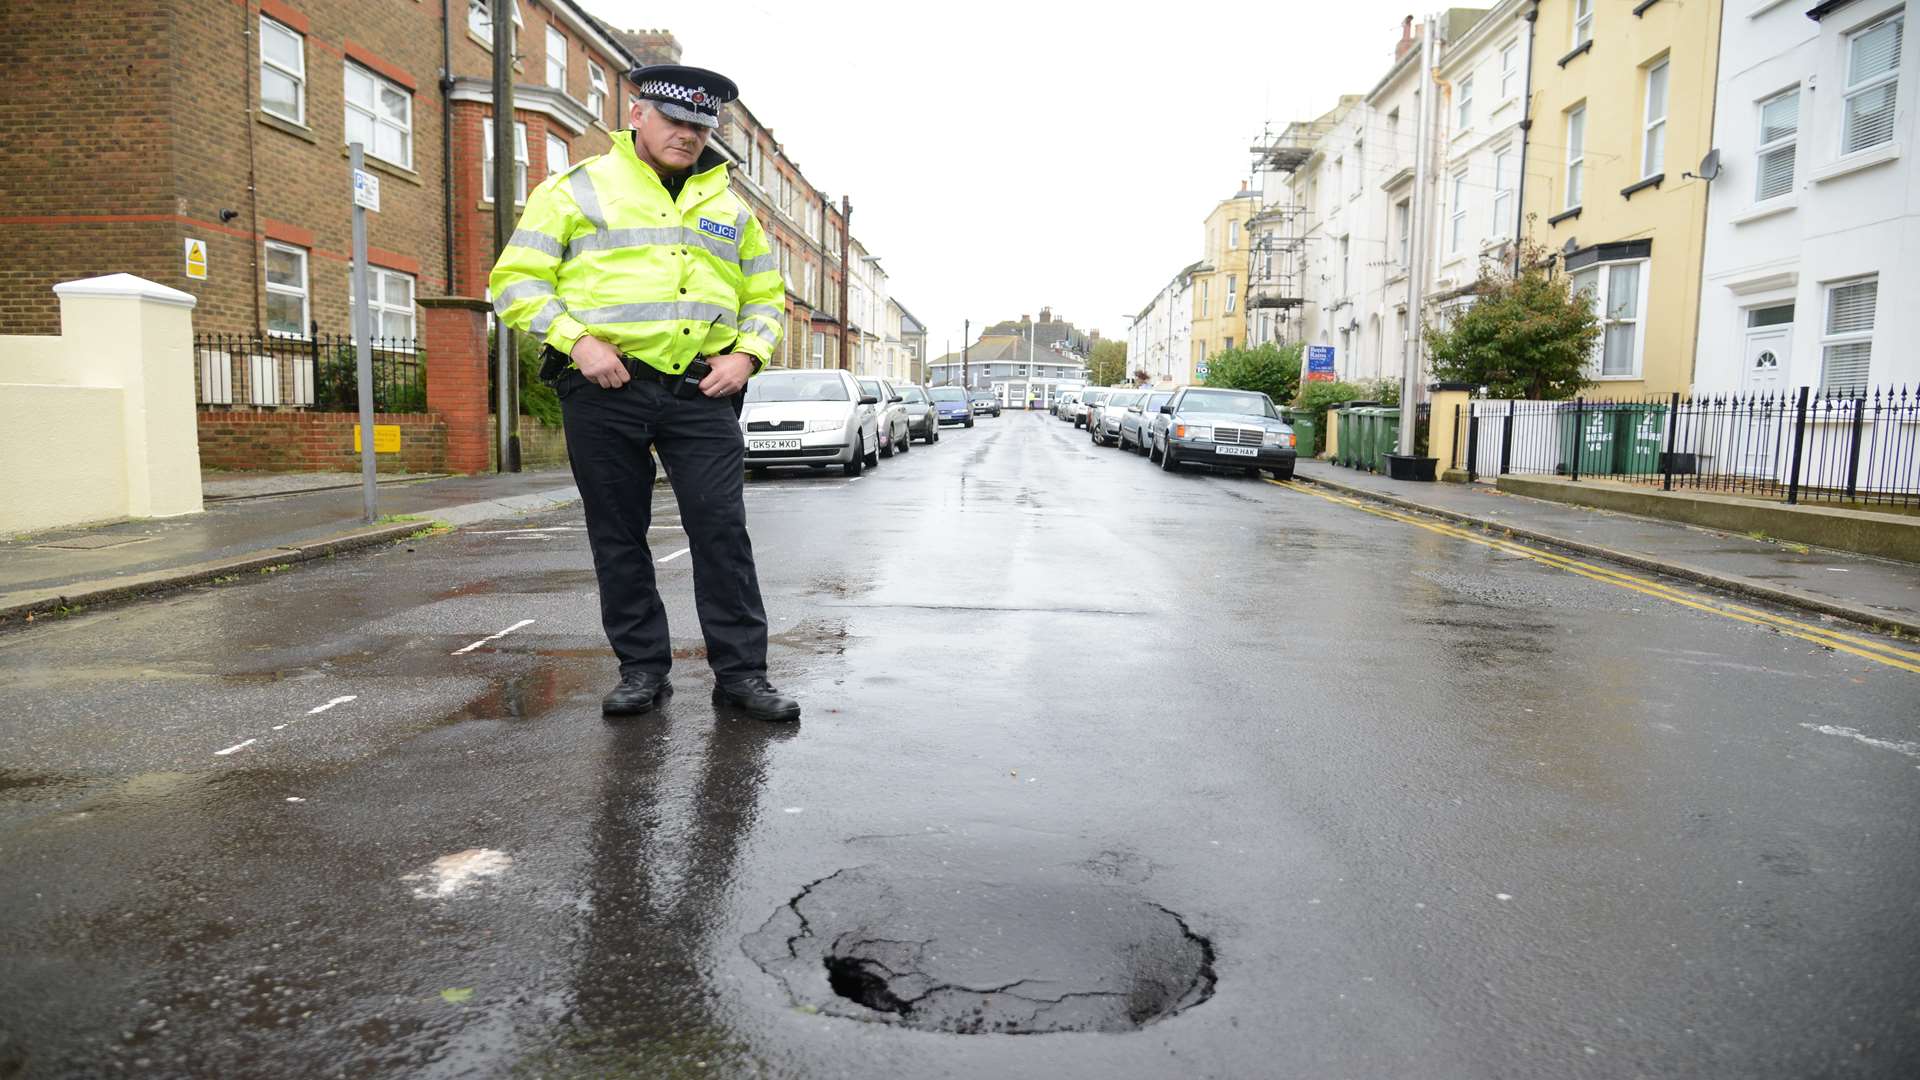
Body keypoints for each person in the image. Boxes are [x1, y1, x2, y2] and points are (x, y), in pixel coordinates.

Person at [489, 64, 800, 723]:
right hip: (605, 387)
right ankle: (641, 671)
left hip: (700, 391)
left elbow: (767, 301)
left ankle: (742, 676)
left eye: (700, 125)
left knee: (722, 531)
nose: (688, 135)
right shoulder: (576, 189)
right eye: (676, 121)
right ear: (637, 115)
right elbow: (516, 283)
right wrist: (578, 341)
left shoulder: (728, 208)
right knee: (618, 533)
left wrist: (747, 355)